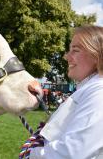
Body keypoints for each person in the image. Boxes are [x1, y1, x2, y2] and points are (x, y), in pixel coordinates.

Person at [19, 25, 103, 159]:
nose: (66, 56)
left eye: (75, 50)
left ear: (97, 55)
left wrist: (32, 153)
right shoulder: (87, 89)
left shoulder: (99, 92)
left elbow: (73, 153)